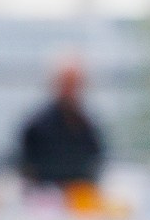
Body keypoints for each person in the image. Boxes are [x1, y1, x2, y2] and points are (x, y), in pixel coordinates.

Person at [17, 58, 104, 187]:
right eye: (67, 83)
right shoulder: (37, 127)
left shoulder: (87, 125)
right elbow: (27, 169)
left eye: (75, 83)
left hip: (80, 198)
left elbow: (96, 162)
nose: (71, 89)